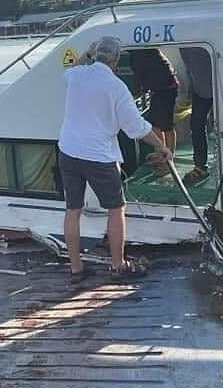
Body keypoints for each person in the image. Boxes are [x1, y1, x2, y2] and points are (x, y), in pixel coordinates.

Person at [59, 37, 172, 283]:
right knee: (116, 209)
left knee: (72, 210)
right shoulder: (116, 86)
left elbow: (70, 70)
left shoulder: (76, 75)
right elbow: (137, 128)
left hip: (68, 151)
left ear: (95, 55)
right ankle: (118, 265)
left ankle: (76, 269)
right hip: (98, 156)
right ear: (117, 60)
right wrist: (162, 146)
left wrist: (87, 54)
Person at [129, 48, 179, 177]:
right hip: (158, 88)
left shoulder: (139, 53)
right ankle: (161, 153)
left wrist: (133, 95)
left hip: (166, 87)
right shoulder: (139, 52)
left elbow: (139, 75)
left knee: (167, 125)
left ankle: (168, 161)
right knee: (154, 124)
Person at [179, 47, 214, 184]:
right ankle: (200, 166)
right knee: (196, 125)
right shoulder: (184, 45)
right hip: (200, 91)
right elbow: (190, 70)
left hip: (222, 88)